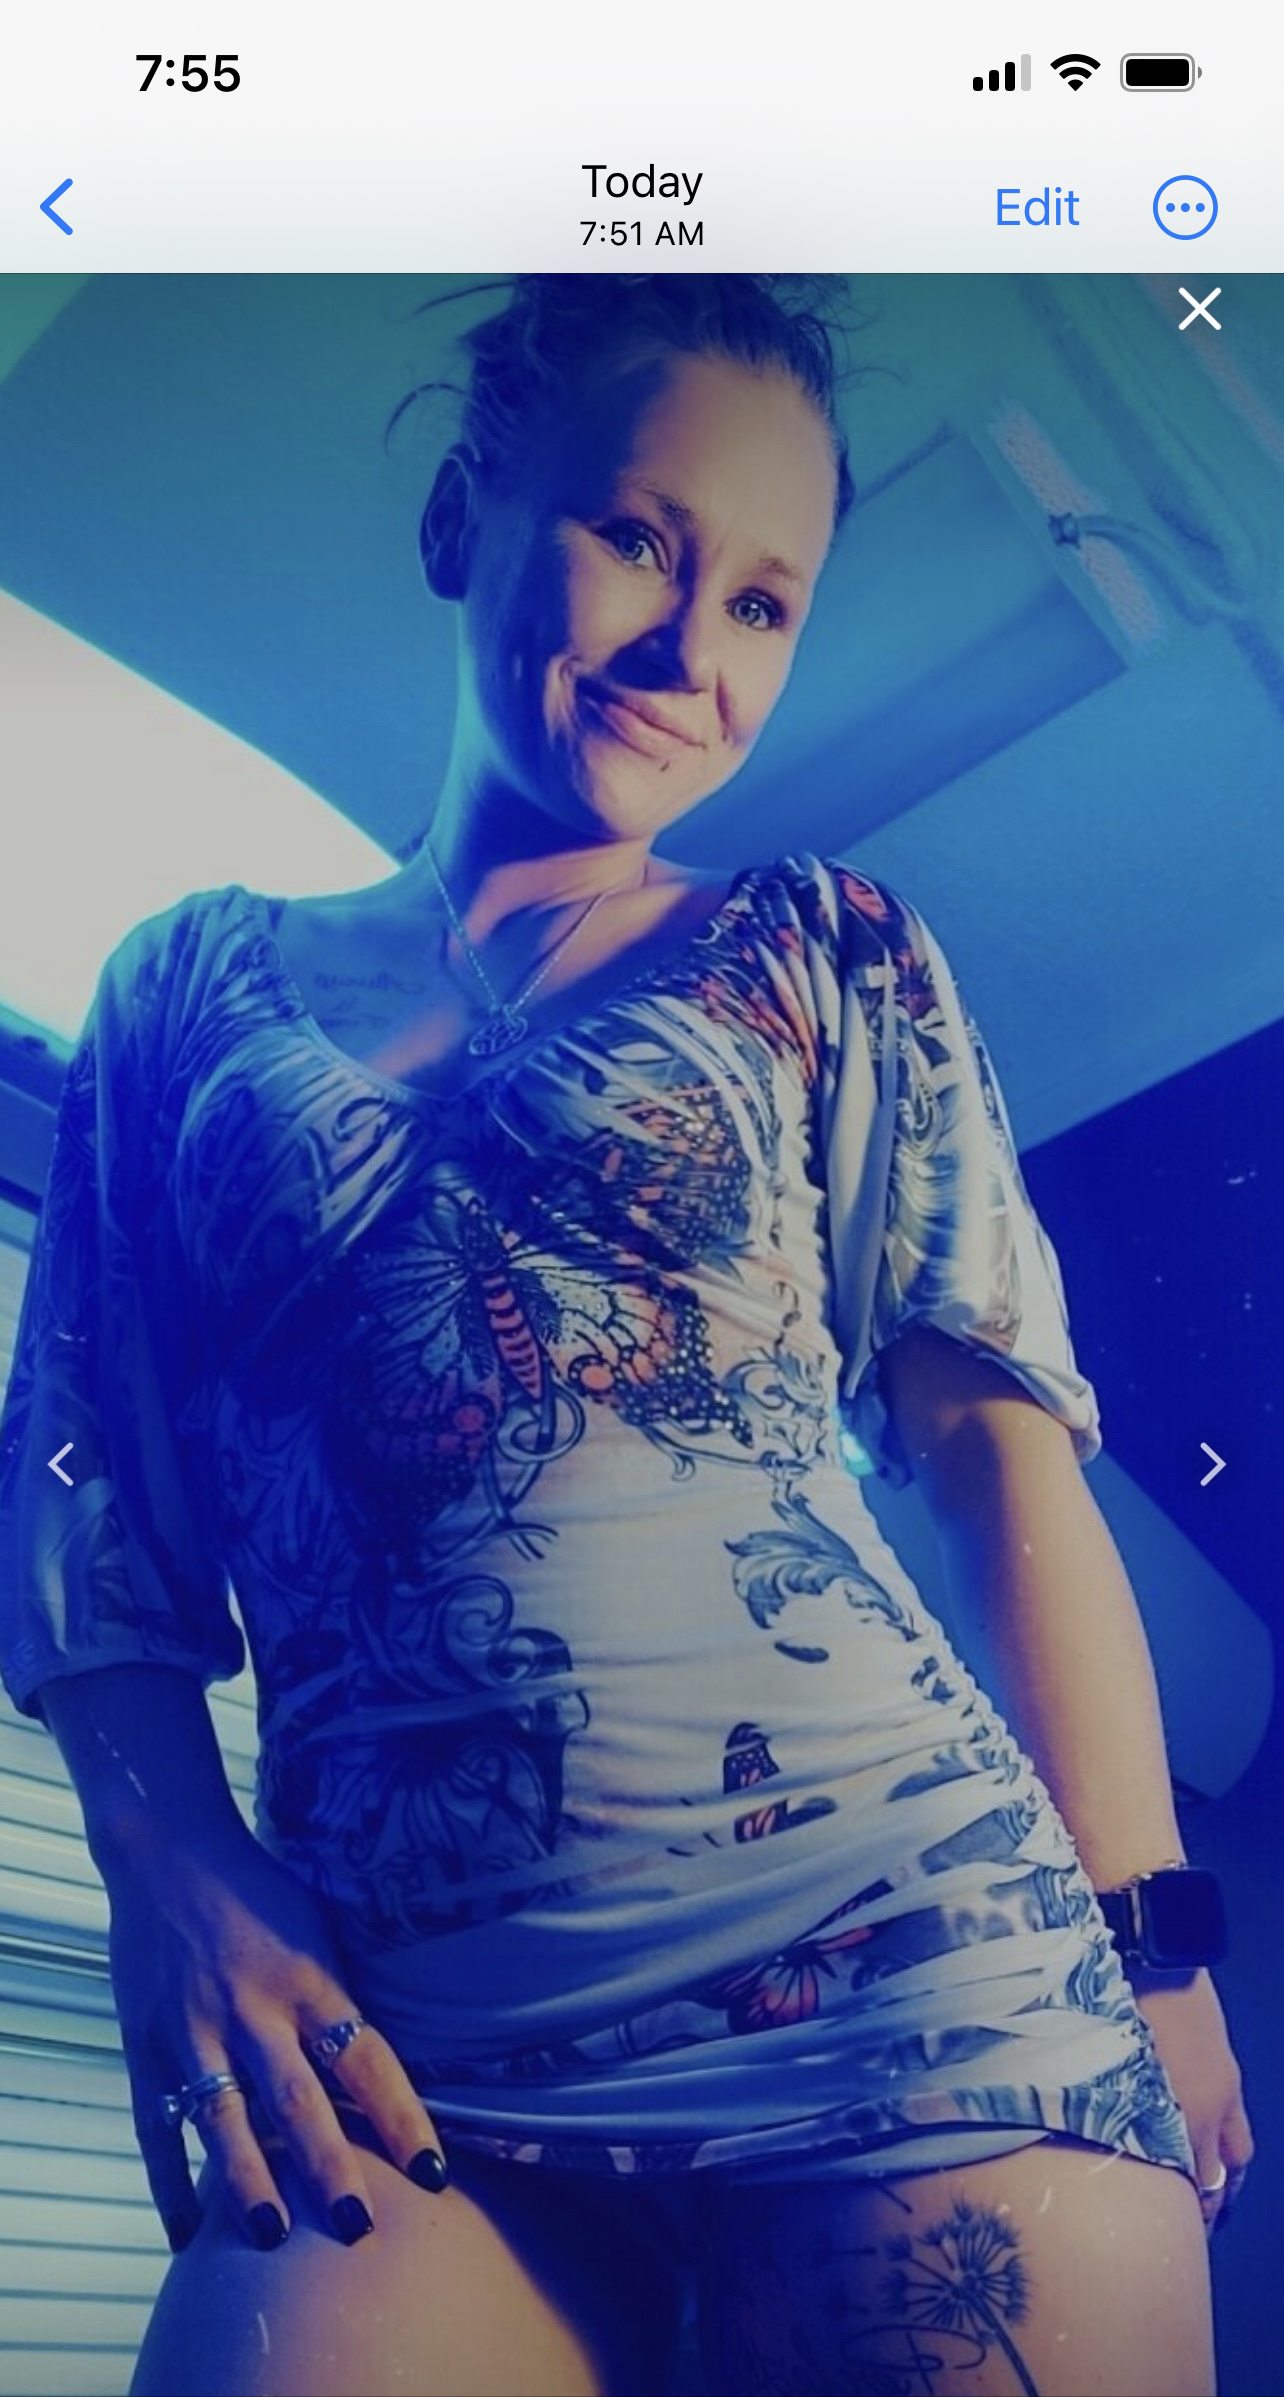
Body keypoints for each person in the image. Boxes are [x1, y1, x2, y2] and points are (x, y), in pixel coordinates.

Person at [0, 273, 1252, 2397]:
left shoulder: (826, 947)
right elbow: (79, 1478)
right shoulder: (179, 986)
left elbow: (990, 1457)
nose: (694, 647)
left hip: (914, 1970)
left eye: (764, 601)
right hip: (407, 2040)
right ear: (468, 511)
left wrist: (1153, 1941)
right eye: (640, 539)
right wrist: (166, 1854)